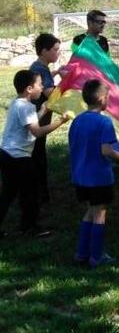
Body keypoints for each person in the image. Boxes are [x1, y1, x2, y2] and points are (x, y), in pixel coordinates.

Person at [69, 79, 119, 267]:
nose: (109, 100)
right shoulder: (104, 122)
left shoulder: (77, 121)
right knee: (100, 213)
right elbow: (106, 151)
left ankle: (81, 254)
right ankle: (97, 256)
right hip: (99, 177)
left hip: (80, 177)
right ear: (101, 99)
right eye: (108, 97)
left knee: (90, 211)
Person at [0, 70, 69, 238]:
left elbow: (29, 126)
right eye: (40, 85)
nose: (42, 87)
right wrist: (60, 122)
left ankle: (24, 225)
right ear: (30, 88)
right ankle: (30, 227)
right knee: (31, 192)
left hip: (7, 154)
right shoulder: (26, 107)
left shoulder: (18, 103)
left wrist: (43, 111)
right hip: (19, 158)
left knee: (8, 193)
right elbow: (36, 132)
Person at [29, 33, 68, 204]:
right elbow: (50, 94)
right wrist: (66, 81)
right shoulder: (39, 68)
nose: (58, 53)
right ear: (44, 51)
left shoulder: (40, 67)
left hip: (37, 120)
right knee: (37, 158)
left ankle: (37, 193)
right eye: (55, 50)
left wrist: (57, 72)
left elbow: (44, 80)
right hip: (36, 122)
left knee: (37, 156)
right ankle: (39, 195)